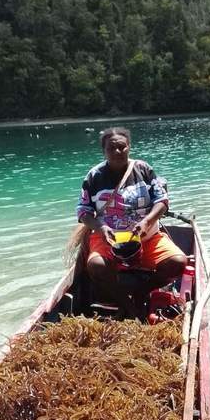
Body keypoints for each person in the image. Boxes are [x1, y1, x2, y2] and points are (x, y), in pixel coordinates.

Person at [77, 127, 187, 318]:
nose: (117, 151)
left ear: (129, 147)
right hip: (108, 240)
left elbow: (162, 201)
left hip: (147, 237)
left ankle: (140, 293)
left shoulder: (143, 169)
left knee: (178, 263)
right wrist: (101, 228)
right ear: (104, 151)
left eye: (122, 147)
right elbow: (83, 211)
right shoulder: (94, 176)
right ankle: (127, 305)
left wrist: (147, 222)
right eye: (111, 148)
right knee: (96, 266)